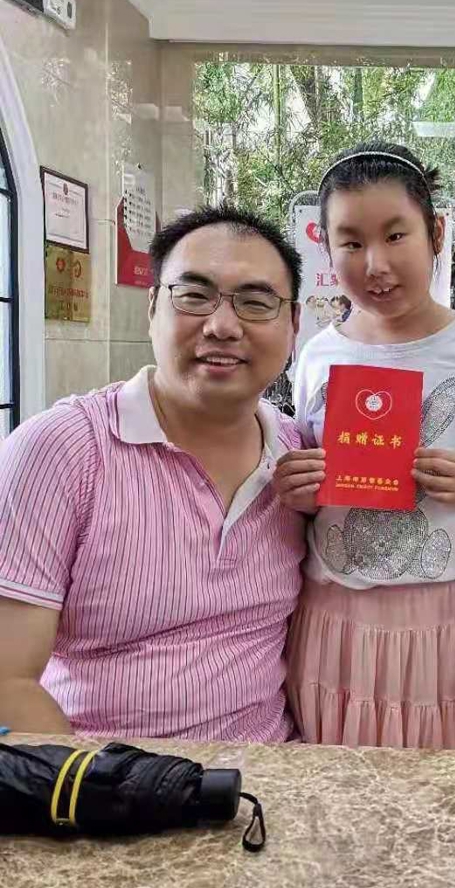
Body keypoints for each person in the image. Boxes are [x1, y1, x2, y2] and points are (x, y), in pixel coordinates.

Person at [0, 206, 306, 742]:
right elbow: (9, 679)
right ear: (152, 308)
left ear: (293, 325)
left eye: (256, 303)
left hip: (273, 773)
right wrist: (101, 783)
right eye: (193, 295)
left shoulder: (298, 456)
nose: (222, 326)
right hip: (105, 777)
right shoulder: (62, 451)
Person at [275, 141, 455, 750]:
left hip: (447, 621)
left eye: (396, 236)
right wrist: (303, 492)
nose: (375, 264)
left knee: (439, 780)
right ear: (326, 248)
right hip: (334, 616)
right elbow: (313, 484)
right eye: (351, 243)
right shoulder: (318, 355)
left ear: (436, 233)